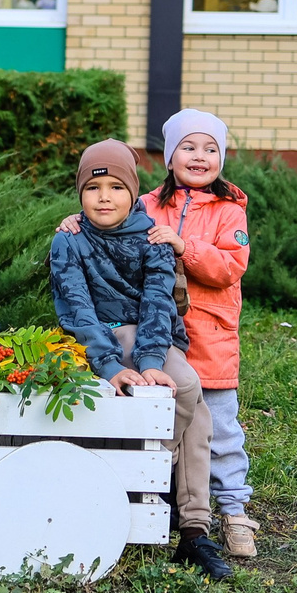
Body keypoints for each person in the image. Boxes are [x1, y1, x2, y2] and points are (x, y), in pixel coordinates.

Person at [59, 108, 257, 556]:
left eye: (210, 149)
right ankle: (163, 497)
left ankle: (233, 508)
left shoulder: (230, 211)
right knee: (174, 411)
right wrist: (76, 220)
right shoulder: (149, 203)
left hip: (209, 331)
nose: (199, 156)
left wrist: (185, 247)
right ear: (169, 157)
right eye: (188, 147)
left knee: (219, 425)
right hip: (157, 329)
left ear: (222, 158)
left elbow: (231, 267)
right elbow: (109, 207)